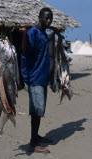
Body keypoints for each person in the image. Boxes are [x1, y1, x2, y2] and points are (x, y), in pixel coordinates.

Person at [20, 7, 64, 153]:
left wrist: (55, 32)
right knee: (36, 111)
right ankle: (32, 144)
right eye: (46, 18)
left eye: (50, 18)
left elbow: (45, 40)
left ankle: (36, 136)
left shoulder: (42, 33)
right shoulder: (32, 32)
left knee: (39, 110)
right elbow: (25, 51)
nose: (49, 20)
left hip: (42, 77)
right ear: (39, 17)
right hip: (34, 78)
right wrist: (24, 34)